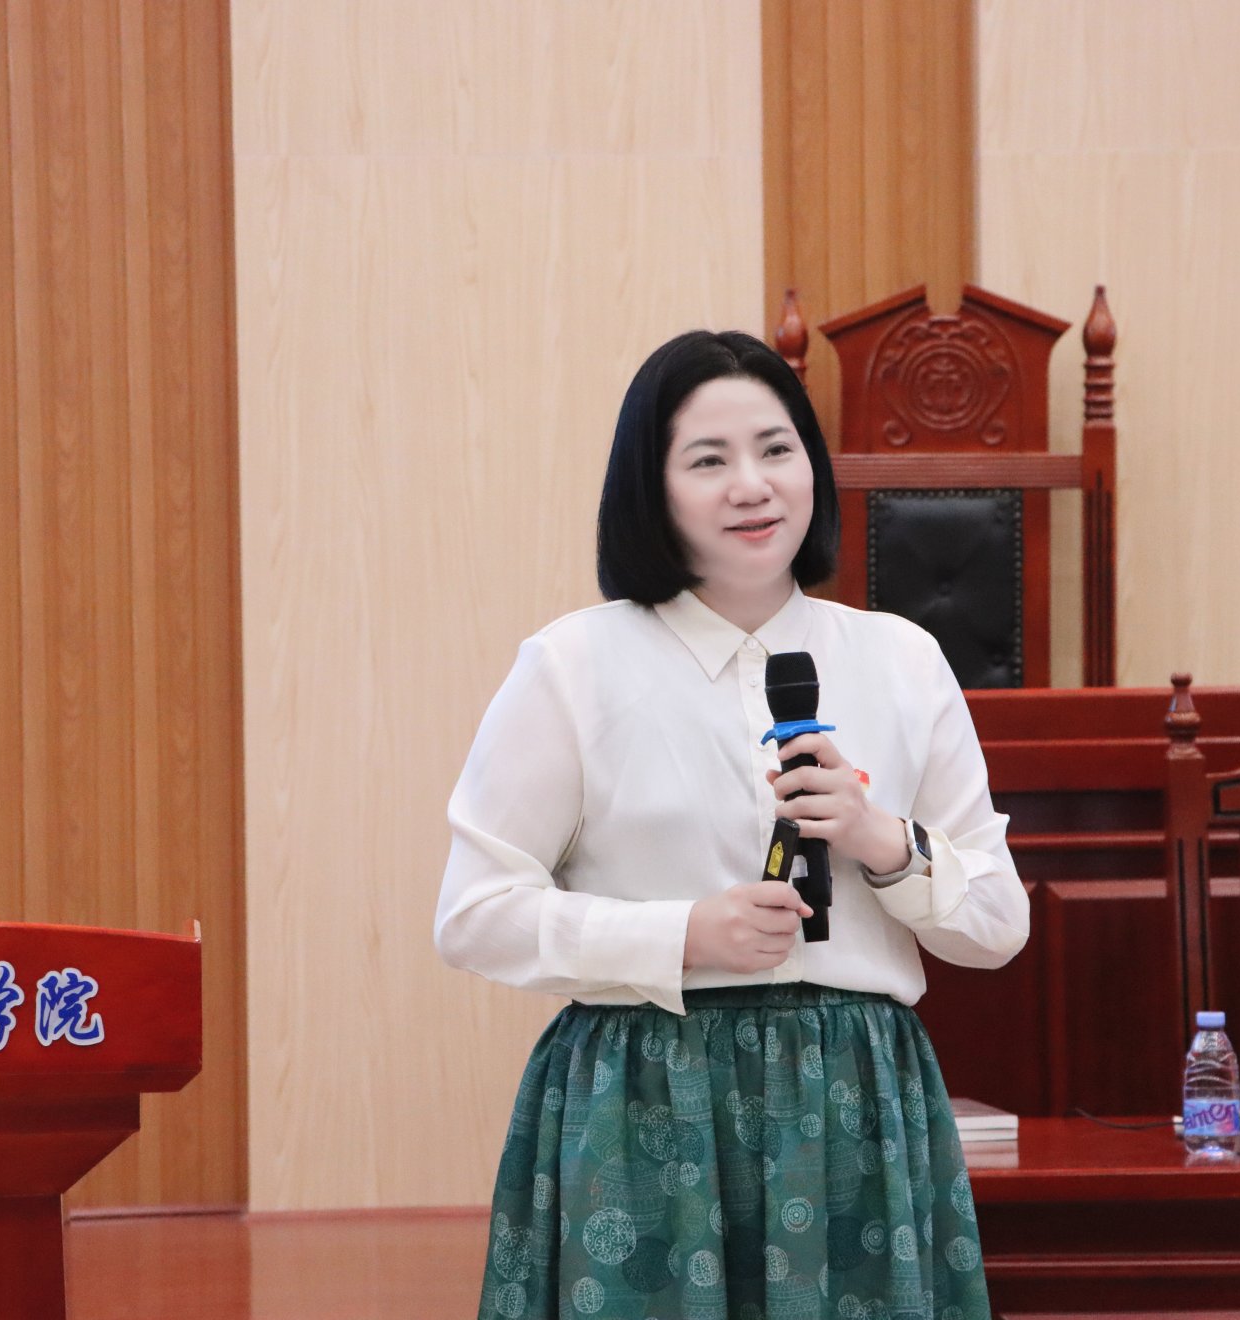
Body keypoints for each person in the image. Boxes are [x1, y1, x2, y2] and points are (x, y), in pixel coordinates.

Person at [435, 329, 1028, 1320]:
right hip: (645, 1100)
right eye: (709, 460)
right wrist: (680, 935)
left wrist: (883, 843)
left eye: (776, 449)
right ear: (652, 489)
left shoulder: (901, 659)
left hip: (855, 1102)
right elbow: (473, 914)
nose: (752, 486)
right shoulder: (573, 666)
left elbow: (998, 927)